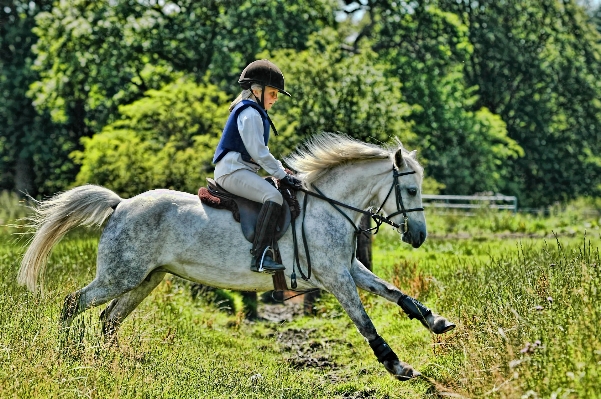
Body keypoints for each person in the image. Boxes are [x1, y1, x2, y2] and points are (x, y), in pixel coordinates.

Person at [212, 59, 302, 273]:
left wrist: (281, 172)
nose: (275, 99)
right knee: (274, 197)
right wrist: (282, 174)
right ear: (256, 90)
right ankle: (260, 256)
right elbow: (259, 152)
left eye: (277, 95)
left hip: (238, 170)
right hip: (233, 171)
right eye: (273, 93)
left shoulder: (252, 110)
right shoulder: (250, 113)